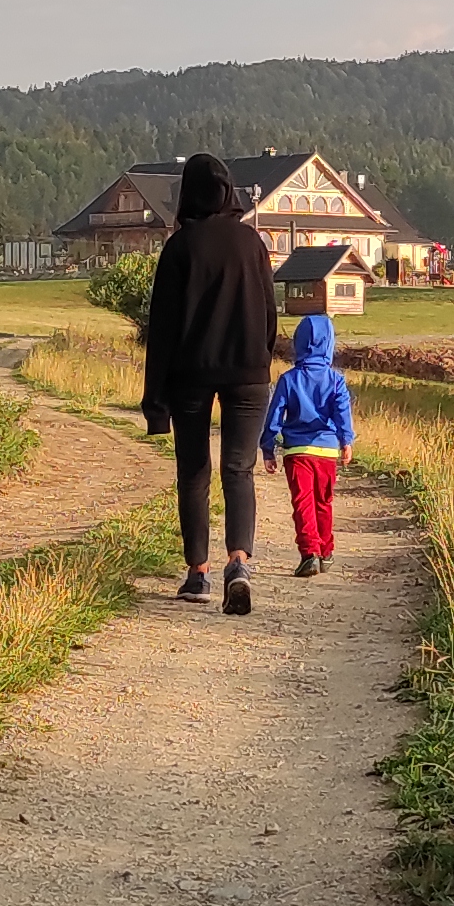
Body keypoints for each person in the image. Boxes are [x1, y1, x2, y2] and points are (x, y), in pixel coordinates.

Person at [137, 153, 277, 614]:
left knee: (193, 472)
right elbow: (271, 316)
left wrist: (155, 401)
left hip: (190, 375)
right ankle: (239, 562)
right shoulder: (252, 243)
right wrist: (260, 360)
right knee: (238, 469)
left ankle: (198, 573)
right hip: (248, 374)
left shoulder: (180, 248)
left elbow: (162, 329)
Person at [263, 307, 354, 576]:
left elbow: (275, 414)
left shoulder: (288, 379)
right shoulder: (336, 380)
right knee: (323, 502)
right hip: (326, 452)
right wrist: (345, 440)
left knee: (303, 502)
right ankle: (326, 552)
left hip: (297, 452)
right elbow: (342, 413)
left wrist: (268, 447)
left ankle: (309, 552)